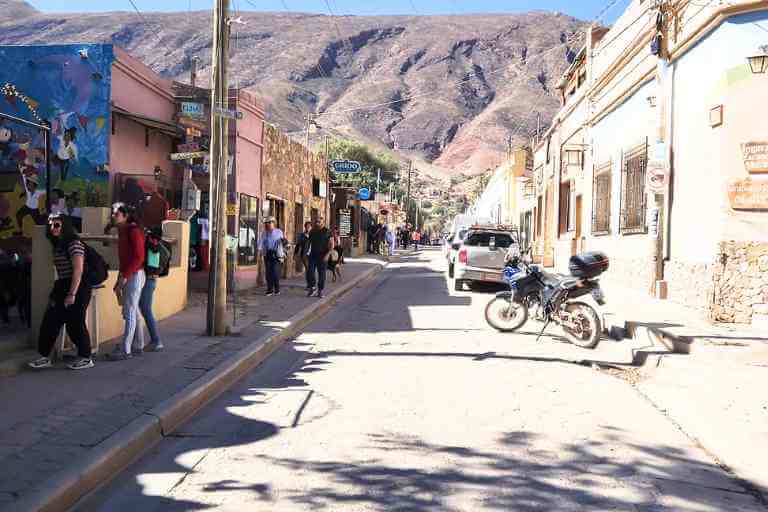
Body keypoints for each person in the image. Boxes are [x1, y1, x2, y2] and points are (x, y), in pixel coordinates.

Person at [28, 214, 94, 370]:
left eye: (57, 225)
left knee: (75, 323)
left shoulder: (74, 244)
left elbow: (78, 270)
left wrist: (72, 294)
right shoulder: (58, 244)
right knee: (50, 320)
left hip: (77, 286)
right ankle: (45, 356)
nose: (53, 228)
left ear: (65, 226)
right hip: (62, 284)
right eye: (51, 225)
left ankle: (86, 357)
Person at [106, 203, 146, 361]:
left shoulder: (133, 231)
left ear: (125, 216)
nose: (113, 216)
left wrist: (124, 276)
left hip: (135, 275)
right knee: (133, 311)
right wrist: (120, 277)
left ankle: (126, 349)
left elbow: (139, 257)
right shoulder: (123, 231)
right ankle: (138, 344)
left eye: (116, 214)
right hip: (129, 274)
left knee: (130, 311)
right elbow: (125, 259)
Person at [141, 227, 169, 352]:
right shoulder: (162, 248)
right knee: (143, 309)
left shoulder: (154, 247)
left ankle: (156, 340)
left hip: (149, 280)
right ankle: (149, 340)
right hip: (150, 279)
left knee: (145, 309)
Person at [258, 216, 285, 296]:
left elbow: (283, 242)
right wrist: (260, 252)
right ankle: (269, 289)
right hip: (268, 254)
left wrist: (283, 254)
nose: (268, 224)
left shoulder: (279, 232)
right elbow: (261, 243)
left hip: (277, 254)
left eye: (270, 222)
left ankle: (277, 288)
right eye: (267, 223)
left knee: (275, 272)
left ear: (274, 223)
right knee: (268, 272)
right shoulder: (264, 233)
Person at [307, 217, 332, 298]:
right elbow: (309, 243)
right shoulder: (312, 231)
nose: (317, 223)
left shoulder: (327, 231)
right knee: (310, 272)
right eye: (316, 222)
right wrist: (306, 253)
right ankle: (313, 288)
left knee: (322, 274)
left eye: (319, 222)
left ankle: (320, 290)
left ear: (323, 223)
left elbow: (331, 244)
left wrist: (328, 254)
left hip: (323, 256)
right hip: (313, 255)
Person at [294, 221, 312, 290]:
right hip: (305, 255)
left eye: (309, 227)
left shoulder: (314, 235)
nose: (308, 228)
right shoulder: (302, 235)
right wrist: (295, 254)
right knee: (308, 269)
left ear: (311, 227)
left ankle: (311, 284)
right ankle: (309, 285)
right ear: (305, 227)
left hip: (312, 255)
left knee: (311, 270)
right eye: (307, 226)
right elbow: (298, 245)